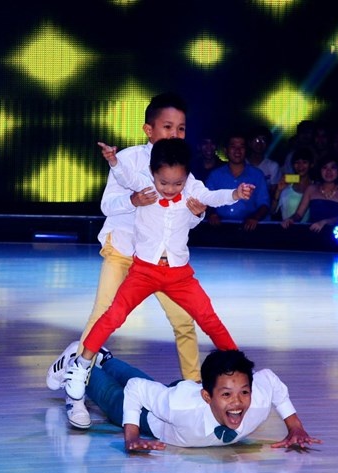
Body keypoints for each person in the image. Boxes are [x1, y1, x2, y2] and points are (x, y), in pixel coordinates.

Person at [45, 92, 203, 430]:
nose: (175, 134)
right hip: (123, 250)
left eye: (181, 128)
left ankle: (195, 390)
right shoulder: (128, 160)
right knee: (103, 316)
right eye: (167, 127)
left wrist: (197, 212)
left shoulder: (184, 171)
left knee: (184, 321)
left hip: (161, 260)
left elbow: (188, 220)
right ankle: (76, 393)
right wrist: (133, 200)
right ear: (149, 129)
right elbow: (107, 205)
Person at [62, 138, 254, 402]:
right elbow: (126, 176)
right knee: (113, 315)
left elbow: (213, 196)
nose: (170, 189)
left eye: (177, 183)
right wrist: (114, 161)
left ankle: (241, 371)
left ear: (186, 176)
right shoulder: (145, 186)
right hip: (144, 271)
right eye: (164, 183)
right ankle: (82, 364)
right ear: (153, 173)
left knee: (209, 318)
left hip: (179, 275)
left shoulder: (192, 188)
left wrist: (235, 193)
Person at [78, 346, 322, 452]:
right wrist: (132, 435)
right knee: (113, 398)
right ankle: (78, 362)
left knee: (153, 387)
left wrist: (295, 427)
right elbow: (136, 388)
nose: (237, 402)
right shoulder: (179, 407)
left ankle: (106, 359)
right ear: (207, 396)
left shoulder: (257, 400)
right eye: (226, 394)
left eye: (244, 392)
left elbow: (271, 381)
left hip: (180, 396)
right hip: (156, 417)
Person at [205, 132, 271, 231]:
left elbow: (264, 203)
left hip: (249, 228)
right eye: (233, 147)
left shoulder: (257, 175)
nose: (237, 150)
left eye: (241, 147)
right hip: (219, 228)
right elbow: (206, 199)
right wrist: (212, 214)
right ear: (226, 150)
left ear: (246, 150)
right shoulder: (215, 175)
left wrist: (255, 218)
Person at [281, 155, 338, 233]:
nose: (328, 171)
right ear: (320, 170)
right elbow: (298, 214)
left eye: (333, 168)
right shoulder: (311, 189)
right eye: (324, 168)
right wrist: (291, 219)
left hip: (336, 234)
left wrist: (326, 222)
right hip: (313, 232)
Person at [272, 146, 313, 222]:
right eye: (297, 162)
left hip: (309, 228)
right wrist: (278, 191)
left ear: (311, 164)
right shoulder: (286, 184)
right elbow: (272, 211)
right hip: (287, 227)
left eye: (304, 162)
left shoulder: (316, 187)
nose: (300, 166)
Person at [246, 125, 280, 199]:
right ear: (249, 143)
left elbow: (273, 191)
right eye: (256, 140)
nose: (260, 143)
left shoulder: (273, 166)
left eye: (264, 140)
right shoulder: (241, 165)